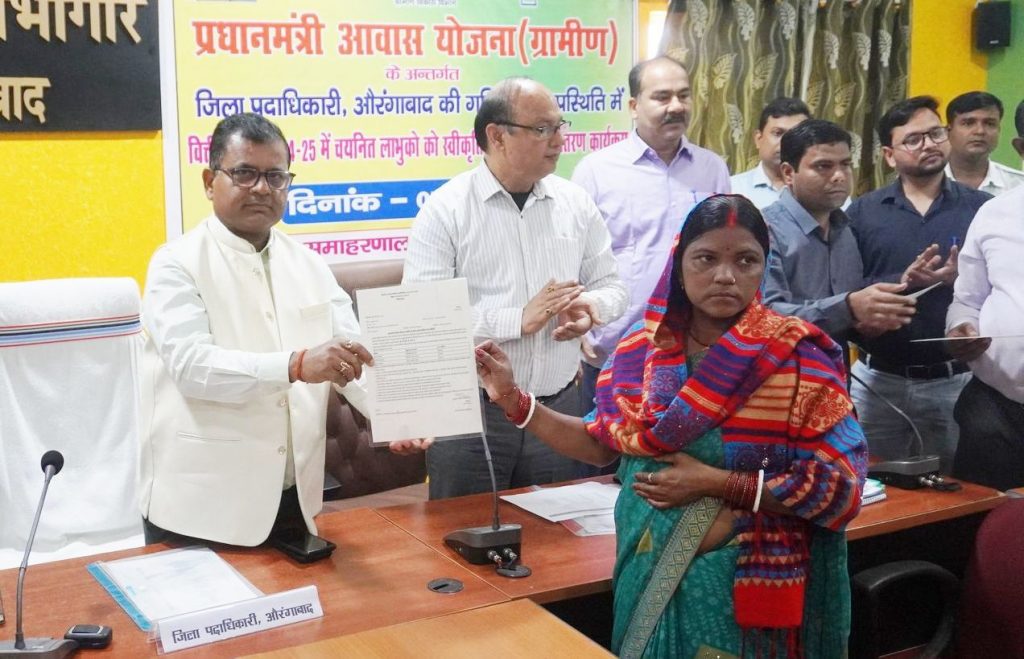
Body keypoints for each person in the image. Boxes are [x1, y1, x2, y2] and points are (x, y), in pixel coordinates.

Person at [476, 195, 866, 658]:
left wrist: (719, 483)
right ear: (679, 264)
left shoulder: (797, 360)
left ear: (764, 268)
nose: (725, 275)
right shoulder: (640, 351)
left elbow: (840, 487)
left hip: (745, 578)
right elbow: (601, 445)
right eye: (706, 259)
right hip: (647, 557)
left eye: (746, 260)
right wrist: (512, 398)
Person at [139, 113, 374, 547]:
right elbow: (193, 368)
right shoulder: (175, 264)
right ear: (209, 182)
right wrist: (296, 365)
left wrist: (401, 417)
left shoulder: (309, 265)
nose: (263, 189)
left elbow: (355, 356)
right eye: (245, 174)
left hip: (295, 499)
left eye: (276, 177)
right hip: (202, 508)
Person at [402, 77, 628, 499]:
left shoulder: (575, 204)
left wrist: (589, 306)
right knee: (465, 532)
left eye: (560, 126)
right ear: (497, 136)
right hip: (472, 417)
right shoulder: (445, 210)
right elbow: (422, 320)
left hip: (556, 411)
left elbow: (614, 288)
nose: (559, 140)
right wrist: (517, 319)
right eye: (542, 129)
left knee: (557, 536)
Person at [572, 56, 730, 415]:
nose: (676, 106)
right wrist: (576, 331)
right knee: (604, 450)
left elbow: (727, 250)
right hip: (613, 352)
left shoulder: (712, 169)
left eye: (684, 95)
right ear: (633, 106)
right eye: (662, 97)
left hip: (694, 353)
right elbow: (570, 258)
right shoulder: (596, 171)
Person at [847, 96, 991, 473]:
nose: (928, 144)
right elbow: (845, 290)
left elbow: (1006, 288)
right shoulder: (862, 212)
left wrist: (962, 279)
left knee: (955, 491)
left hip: (955, 381)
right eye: (913, 139)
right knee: (870, 485)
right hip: (878, 382)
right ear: (889, 155)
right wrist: (903, 282)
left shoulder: (983, 208)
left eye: (935, 133)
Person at [763, 119, 915, 350]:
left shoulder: (845, 231)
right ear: (788, 173)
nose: (839, 176)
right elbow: (765, 316)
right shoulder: (764, 231)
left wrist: (898, 287)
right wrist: (848, 308)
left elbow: (846, 312)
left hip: (836, 368)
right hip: (780, 369)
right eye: (823, 166)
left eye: (845, 164)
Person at [945, 183, 1024, 490]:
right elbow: (967, 300)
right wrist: (961, 326)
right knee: (984, 512)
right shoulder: (994, 213)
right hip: (996, 410)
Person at [730, 97, 811, 209]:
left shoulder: (820, 192)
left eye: (796, 134)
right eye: (778, 133)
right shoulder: (732, 190)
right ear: (759, 139)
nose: (787, 142)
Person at [944, 91, 1024, 196]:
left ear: (999, 130)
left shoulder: (1018, 185)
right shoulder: (928, 182)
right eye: (968, 123)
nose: (980, 131)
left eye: (989, 124)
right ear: (947, 131)